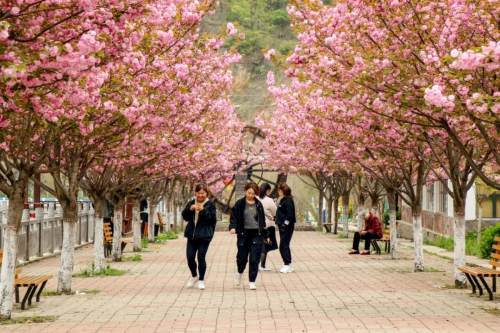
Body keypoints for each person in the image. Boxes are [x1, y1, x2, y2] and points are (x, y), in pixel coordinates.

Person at [229, 182, 268, 290]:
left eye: (253, 193)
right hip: (243, 234)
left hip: (256, 234)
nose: (251, 195)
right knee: (242, 258)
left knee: (255, 258)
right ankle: (239, 273)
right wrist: (232, 227)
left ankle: (252, 281)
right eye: (249, 192)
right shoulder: (239, 204)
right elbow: (234, 217)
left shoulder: (258, 204)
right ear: (245, 191)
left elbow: (262, 220)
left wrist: (266, 234)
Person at [182, 183, 217, 290]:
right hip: (192, 235)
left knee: (201, 256)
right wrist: (190, 209)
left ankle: (201, 279)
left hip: (205, 236)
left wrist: (203, 210)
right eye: (198, 193)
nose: (200, 195)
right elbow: (185, 217)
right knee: (190, 257)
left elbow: (212, 219)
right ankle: (194, 276)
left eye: (203, 193)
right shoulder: (191, 202)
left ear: (206, 194)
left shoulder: (210, 204)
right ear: (195, 193)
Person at [276, 183, 296, 273]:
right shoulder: (283, 200)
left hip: (286, 227)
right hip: (282, 226)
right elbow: (282, 213)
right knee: (285, 245)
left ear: (283, 191)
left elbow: (290, 215)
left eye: (279, 190)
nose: (278, 192)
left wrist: (285, 224)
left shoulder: (288, 201)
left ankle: (287, 264)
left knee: (283, 246)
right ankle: (288, 264)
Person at [257, 183, 278, 271]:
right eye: (269, 190)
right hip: (268, 225)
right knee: (266, 245)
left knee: (261, 245)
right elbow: (275, 212)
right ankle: (262, 266)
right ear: (267, 190)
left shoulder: (256, 199)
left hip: (258, 226)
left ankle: (260, 265)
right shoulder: (269, 200)